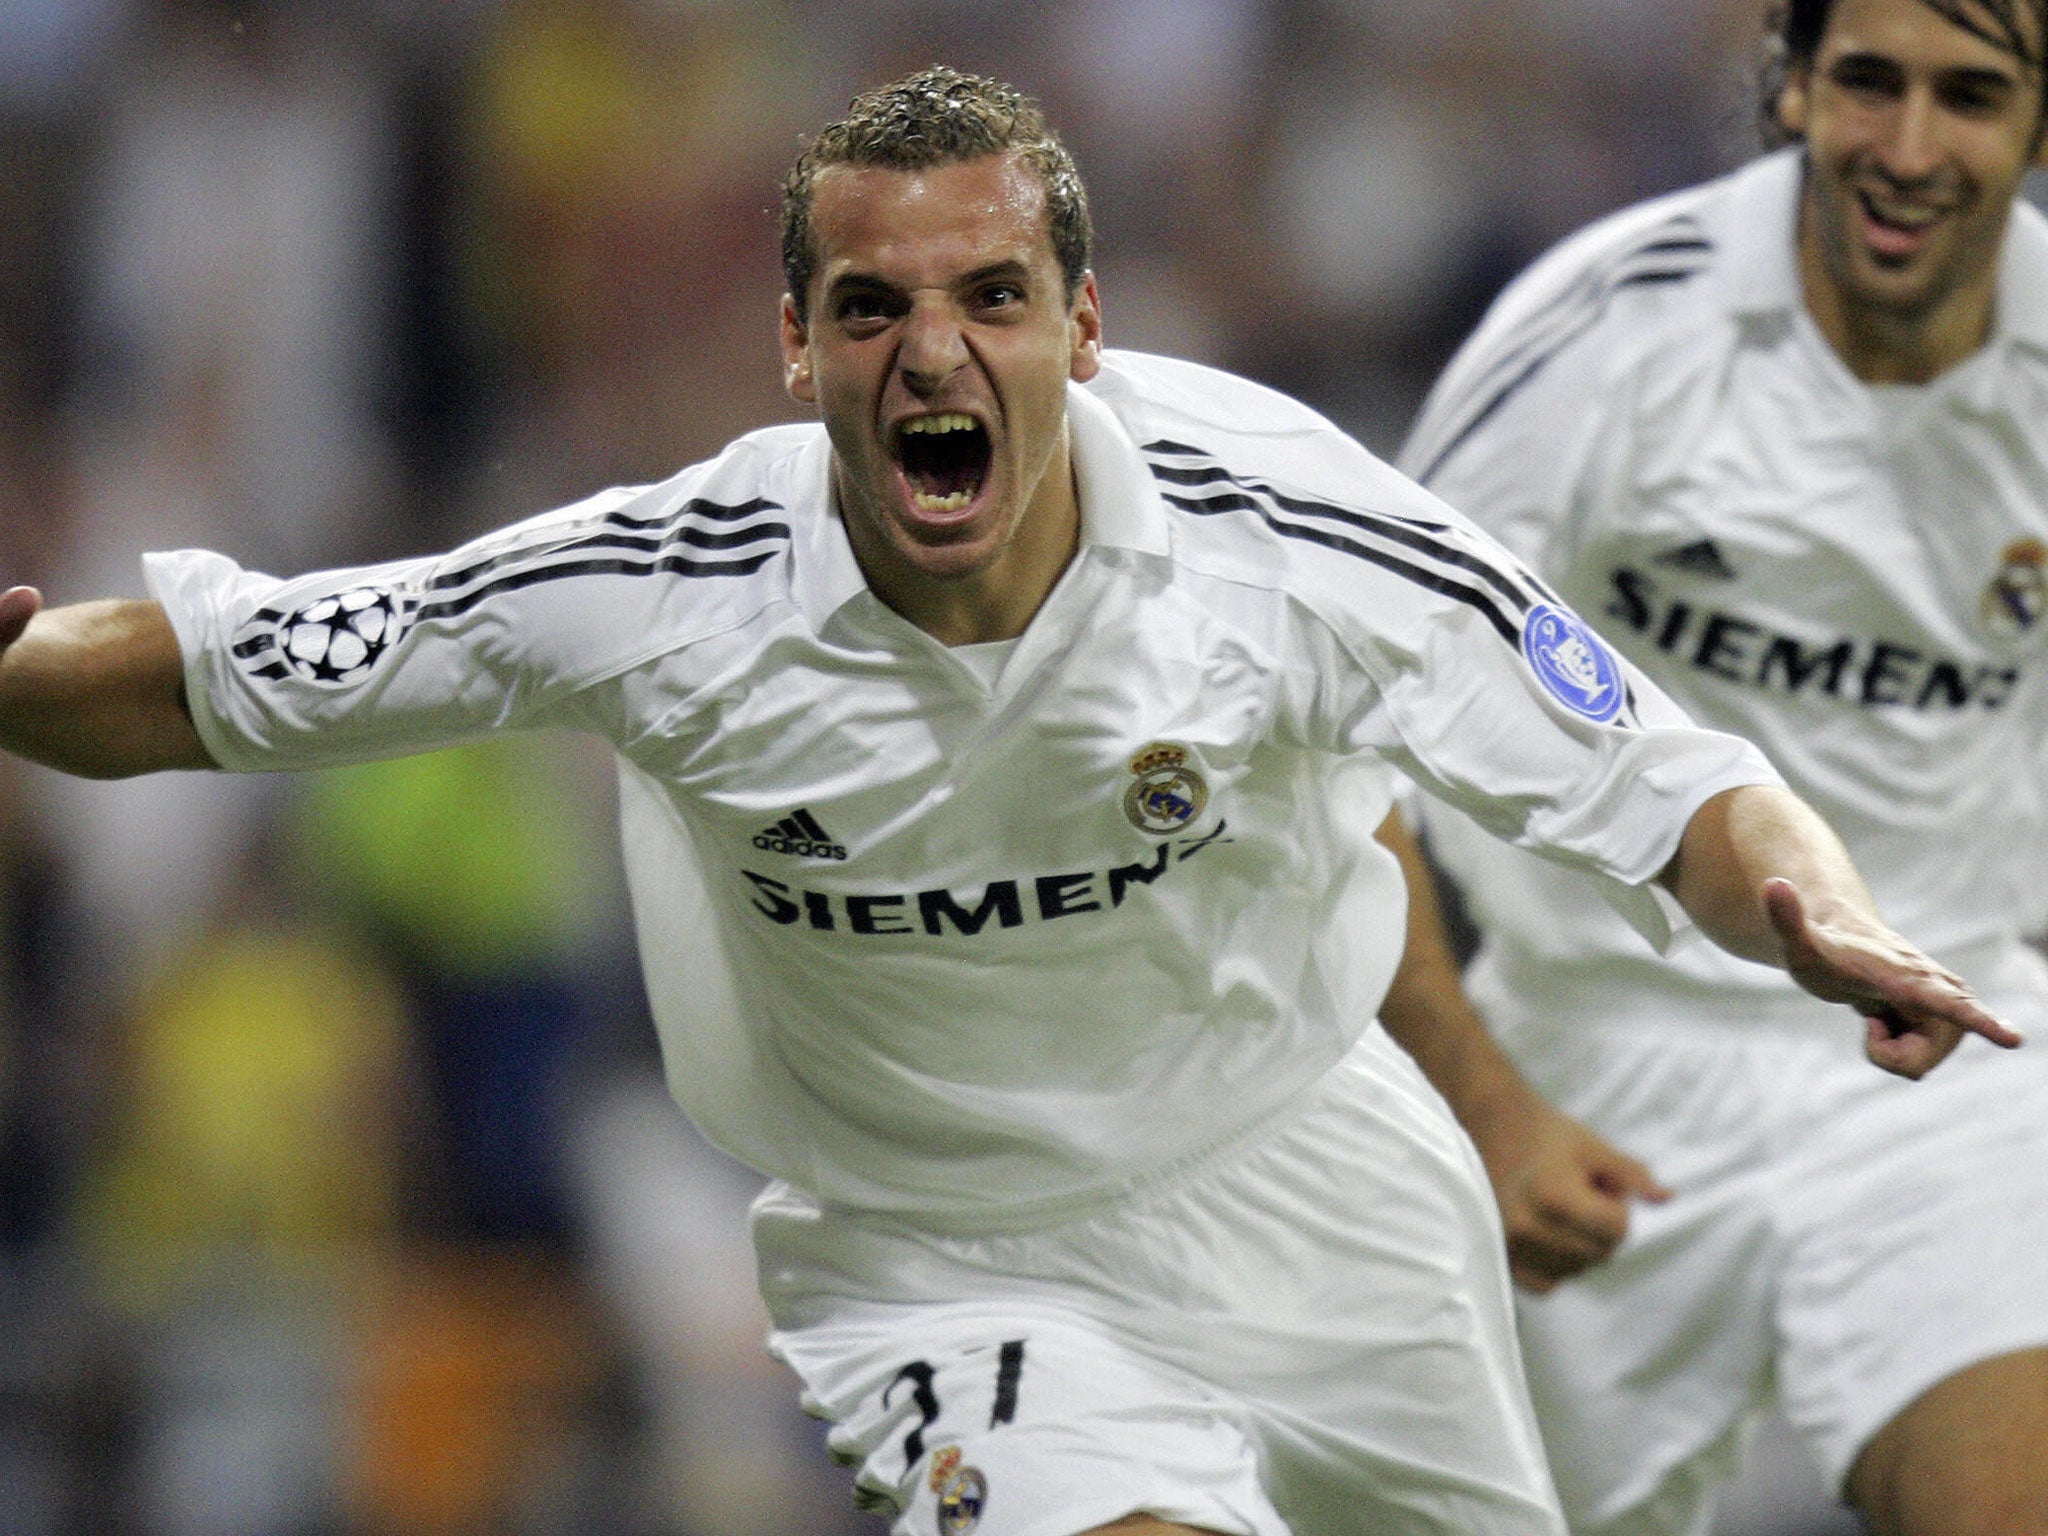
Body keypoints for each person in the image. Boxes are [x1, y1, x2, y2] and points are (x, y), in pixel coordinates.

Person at [0, 66, 2019, 1536]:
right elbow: (209, 677)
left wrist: (1806, 916)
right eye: (869, 308)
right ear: (794, 346)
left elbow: (1669, 781)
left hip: (1318, 1185)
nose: (928, 351)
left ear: (1081, 327)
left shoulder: (1292, 541)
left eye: (986, 296)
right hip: (940, 1253)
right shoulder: (659, 586)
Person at [1397, 3, 2048, 1535]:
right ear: (1794, 84)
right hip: (1586, 1073)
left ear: (2038, 122)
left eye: (1971, 96)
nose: (1906, 148)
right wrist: (1484, 1106)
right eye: (1869, 82)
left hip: (1946, 1065)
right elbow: (1338, 729)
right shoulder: (1604, 335)